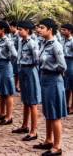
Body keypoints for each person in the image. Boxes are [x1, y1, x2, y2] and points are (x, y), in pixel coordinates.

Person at [33, 18, 67, 156]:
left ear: (50, 30)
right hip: (45, 78)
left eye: (41, 27)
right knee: (48, 112)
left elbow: (62, 66)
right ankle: (48, 140)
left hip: (53, 79)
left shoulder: (55, 45)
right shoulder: (44, 43)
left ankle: (57, 147)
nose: (39, 30)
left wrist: (52, 71)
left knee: (54, 115)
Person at [12, 20, 41, 141]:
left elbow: (37, 60)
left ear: (27, 31)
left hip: (30, 70)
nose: (18, 31)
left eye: (21, 29)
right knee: (25, 100)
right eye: (18, 29)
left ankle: (33, 131)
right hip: (22, 70)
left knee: (32, 102)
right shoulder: (20, 41)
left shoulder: (32, 43)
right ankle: (24, 125)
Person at [0, 21, 17, 125]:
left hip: (5, 65)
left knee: (7, 92)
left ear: (3, 30)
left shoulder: (7, 41)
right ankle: (2, 113)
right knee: (1, 90)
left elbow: (14, 54)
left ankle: (8, 116)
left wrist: (7, 59)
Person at [60, 23, 73, 115]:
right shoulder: (61, 40)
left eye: (64, 30)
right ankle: (66, 105)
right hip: (63, 62)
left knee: (72, 86)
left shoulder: (72, 41)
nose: (62, 31)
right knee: (66, 86)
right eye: (62, 29)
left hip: (71, 62)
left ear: (69, 31)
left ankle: (72, 107)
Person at [9, 21, 20, 92]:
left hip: (17, 55)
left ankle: (17, 85)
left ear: (15, 27)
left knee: (17, 72)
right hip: (14, 56)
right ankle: (15, 85)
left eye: (11, 27)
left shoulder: (18, 35)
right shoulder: (13, 35)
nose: (10, 28)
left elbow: (20, 46)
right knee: (15, 72)